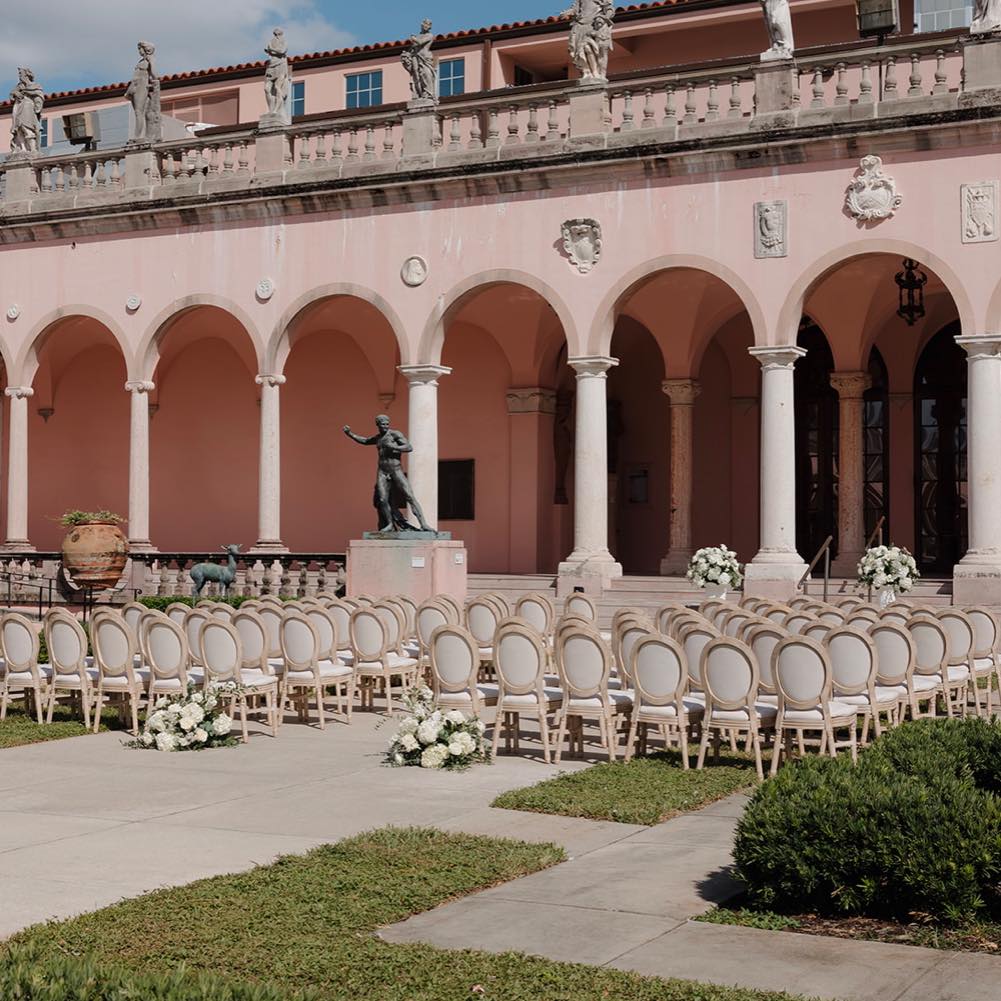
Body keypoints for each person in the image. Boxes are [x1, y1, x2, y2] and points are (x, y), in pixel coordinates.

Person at [343, 415, 433, 533]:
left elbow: (409, 447)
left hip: (396, 470)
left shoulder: (395, 434)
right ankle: (390, 524)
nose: (385, 426)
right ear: (378, 425)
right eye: (382, 424)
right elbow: (365, 441)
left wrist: (394, 446)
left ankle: (424, 524)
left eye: (386, 424)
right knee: (382, 499)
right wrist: (350, 434)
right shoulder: (378, 438)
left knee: (409, 496)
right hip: (382, 471)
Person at [125, 41, 159, 143]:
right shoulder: (140, 62)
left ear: (146, 49)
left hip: (142, 87)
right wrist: (129, 91)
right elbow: (135, 78)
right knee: (138, 113)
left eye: (140, 48)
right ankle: (138, 135)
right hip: (134, 88)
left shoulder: (150, 60)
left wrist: (151, 62)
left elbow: (155, 75)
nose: (139, 51)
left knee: (139, 112)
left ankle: (138, 135)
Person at [10, 67, 44, 154]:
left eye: (21, 74)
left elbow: (39, 96)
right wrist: (15, 93)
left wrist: (37, 107)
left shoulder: (35, 86)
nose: (19, 76)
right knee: (18, 128)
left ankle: (32, 149)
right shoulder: (19, 86)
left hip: (28, 107)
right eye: (19, 74)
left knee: (28, 126)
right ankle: (23, 148)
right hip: (18, 107)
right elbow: (11, 95)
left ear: (27, 75)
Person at [402, 18, 436, 102]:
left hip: (425, 58)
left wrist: (413, 39)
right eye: (424, 24)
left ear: (430, 26)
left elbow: (420, 42)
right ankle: (419, 93)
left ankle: (428, 93)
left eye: (428, 24)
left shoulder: (429, 35)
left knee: (426, 74)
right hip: (416, 57)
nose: (425, 25)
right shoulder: (418, 36)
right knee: (416, 75)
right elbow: (413, 47)